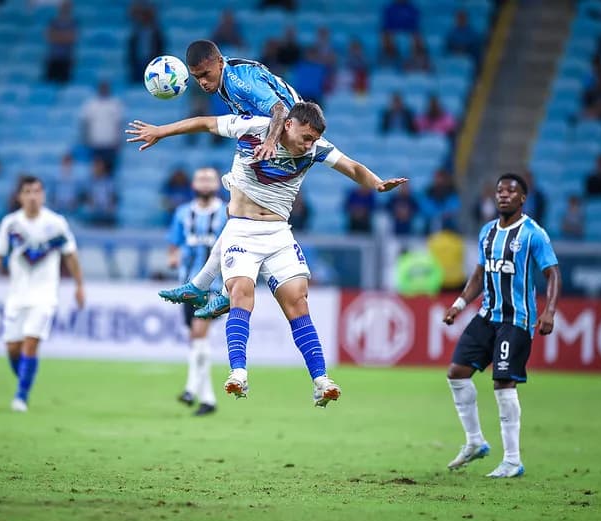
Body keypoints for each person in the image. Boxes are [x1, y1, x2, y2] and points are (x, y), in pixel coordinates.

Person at [126, 102, 406, 406]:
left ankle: (320, 380)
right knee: (242, 292)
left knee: (298, 301)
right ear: (288, 125)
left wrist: (377, 183)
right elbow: (206, 123)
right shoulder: (254, 129)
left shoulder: (315, 150)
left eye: (314, 140)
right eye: (306, 137)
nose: (309, 144)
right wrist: (160, 131)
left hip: (278, 233)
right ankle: (239, 374)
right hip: (242, 231)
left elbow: (352, 167)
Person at [155, 39, 304, 317]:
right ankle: (210, 288)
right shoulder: (224, 81)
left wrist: (271, 143)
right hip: (270, 135)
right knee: (235, 213)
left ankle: (208, 288)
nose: (202, 82)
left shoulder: (238, 81)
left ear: (219, 62)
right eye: (196, 77)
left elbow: (280, 110)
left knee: (237, 212)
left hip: (289, 138)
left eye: (205, 75)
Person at [442, 173, 561, 478]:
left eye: (511, 191)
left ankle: (512, 460)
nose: (503, 195)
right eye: (499, 191)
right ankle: (475, 441)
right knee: (457, 373)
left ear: (523, 198)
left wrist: (549, 311)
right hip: (486, 315)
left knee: (503, 382)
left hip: (516, 320)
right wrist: (458, 305)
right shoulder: (487, 232)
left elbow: (553, 273)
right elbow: (480, 275)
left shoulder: (533, 233)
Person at [0, 175, 85, 412]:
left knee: (30, 344)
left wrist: (79, 286)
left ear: (43, 195)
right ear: (20, 196)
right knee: (13, 348)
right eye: (28, 192)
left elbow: (71, 255)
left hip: (44, 295)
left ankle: (21, 396)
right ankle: (24, 378)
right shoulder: (11, 224)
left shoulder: (56, 223)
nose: (33, 196)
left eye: (37, 191)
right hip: (17, 295)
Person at [166, 168, 228, 416]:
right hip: (188, 286)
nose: (205, 183)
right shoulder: (183, 213)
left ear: (217, 184)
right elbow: (173, 245)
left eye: (209, 179)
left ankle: (190, 388)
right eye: (200, 179)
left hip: (216, 286)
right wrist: (173, 258)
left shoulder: (227, 212)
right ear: (193, 183)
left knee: (198, 332)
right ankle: (208, 399)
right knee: (197, 340)